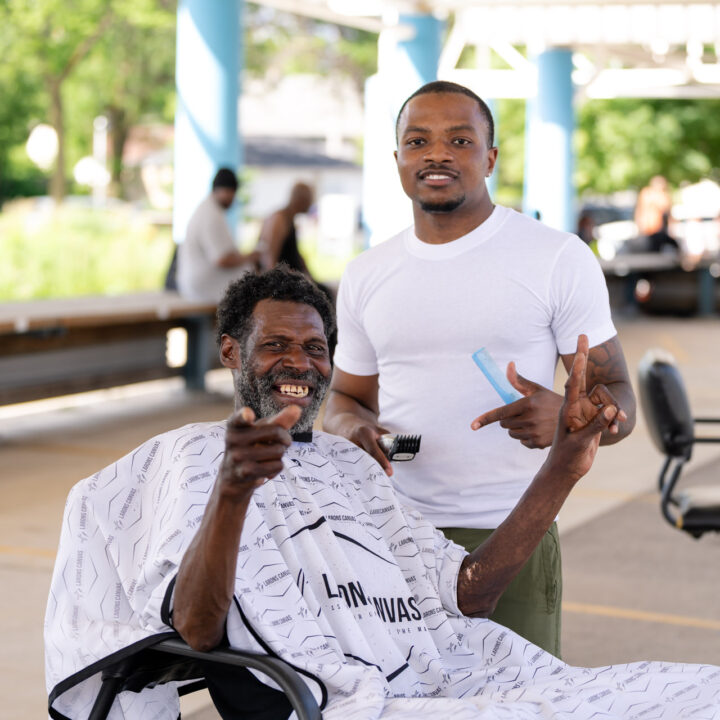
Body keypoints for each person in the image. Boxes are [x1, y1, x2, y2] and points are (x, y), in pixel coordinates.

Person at [45, 268, 720, 720]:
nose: (299, 363)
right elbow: (194, 626)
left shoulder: (353, 466)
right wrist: (233, 491)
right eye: (275, 344)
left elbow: (470, 593)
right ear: (229, 351)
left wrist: (565, 467)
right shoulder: (193, 456)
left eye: (315, 349)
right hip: (351, 701)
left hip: (459, 677)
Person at [322, 80, 637, 657]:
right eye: (418, 141)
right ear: (398, 160)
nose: (436, 153)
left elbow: (619, 397)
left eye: (459, 140)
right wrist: (350, 430)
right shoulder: (367, 273)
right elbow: (344, 399)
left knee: (516, 705)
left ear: (489, 159)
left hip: (512, 531)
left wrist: (576, 418)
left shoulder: (555, 257)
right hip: (388, 533)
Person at [176, 167, 260, 302]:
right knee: (249, 274)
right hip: (199, 283)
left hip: (191, 280)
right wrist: (250, 257)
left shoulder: (209, 208)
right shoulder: (211, 214)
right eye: (230, 192)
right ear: (221, 190)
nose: (232, 197)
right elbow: (222, 259)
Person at [257, 181, 315, 276]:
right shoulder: (280, 219)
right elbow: (270, 259)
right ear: (301, 199)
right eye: (309, 199)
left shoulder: (290, 218)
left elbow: (295, 255)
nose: (311, 203)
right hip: (283, 283)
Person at [634, 175, 679, 253]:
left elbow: (668, 213)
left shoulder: (664, 196)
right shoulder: (647, 194)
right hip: (649, 229)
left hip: (659, 230)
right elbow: (640, 211)